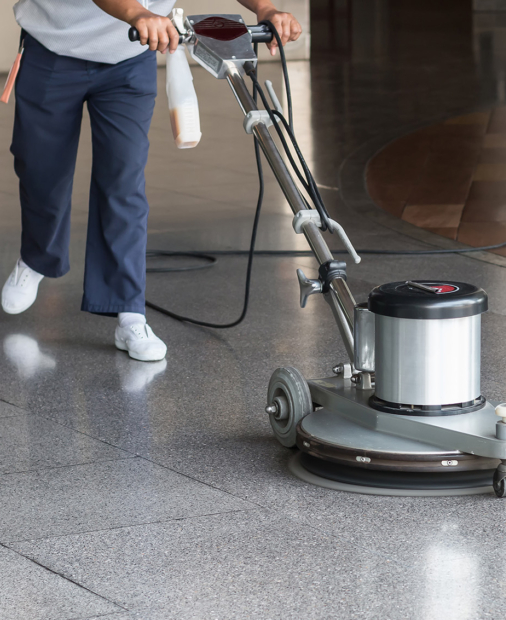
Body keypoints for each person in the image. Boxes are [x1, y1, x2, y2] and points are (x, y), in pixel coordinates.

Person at [2, 0, 301, 361]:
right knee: (41, 171)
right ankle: (37, 258)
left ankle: (129, 311)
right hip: (53, 46)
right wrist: (137, 13)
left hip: (129, 57)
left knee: (123, 182)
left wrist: (265, 8)